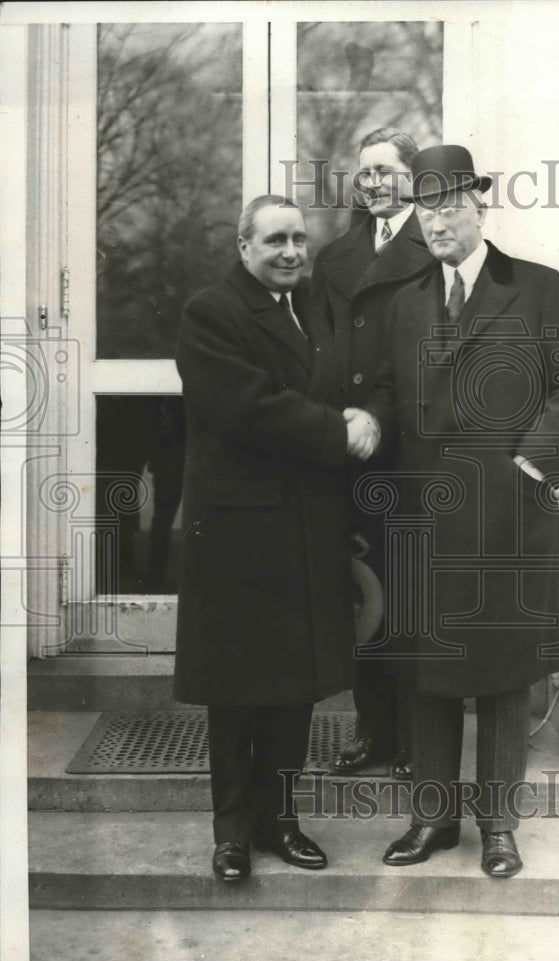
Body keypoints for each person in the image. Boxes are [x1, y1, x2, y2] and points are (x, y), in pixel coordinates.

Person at [366, 145, 559, 877]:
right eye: (423, 207)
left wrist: (528, 464)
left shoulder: (535, 288)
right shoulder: (404, 302)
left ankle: (498, 826)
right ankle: (431, 819)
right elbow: (384, 392)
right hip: (423, 519)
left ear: (478, 202)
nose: (434, 221)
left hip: (506, 517)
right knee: (425, 674)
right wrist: (368, 427)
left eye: (446, 204)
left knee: (505, 677)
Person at [173, 194, 378, 883]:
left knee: (292, 687)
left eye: (298, 239)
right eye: (274, 241)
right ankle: (231, 835)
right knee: (235, 692)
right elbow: (244, 407)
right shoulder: (213, 311)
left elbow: (355, 377)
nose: (290, 251)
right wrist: (336, 431)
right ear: (243, 247)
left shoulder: (316, 306)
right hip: (237, 533)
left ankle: (281, 823)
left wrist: (367, 413)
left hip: (305, 526)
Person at [311, 127, 434, 778]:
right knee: (366, 593)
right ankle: (372, 730)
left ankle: (418, 740)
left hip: (411, 449)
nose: (374, 184)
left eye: (386, 171)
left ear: (415, 177)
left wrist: (377, 415)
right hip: (352, 449)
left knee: (411, 594)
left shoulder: (436, 244)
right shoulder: (338, 256)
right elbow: (323, 348)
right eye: (364, 174)